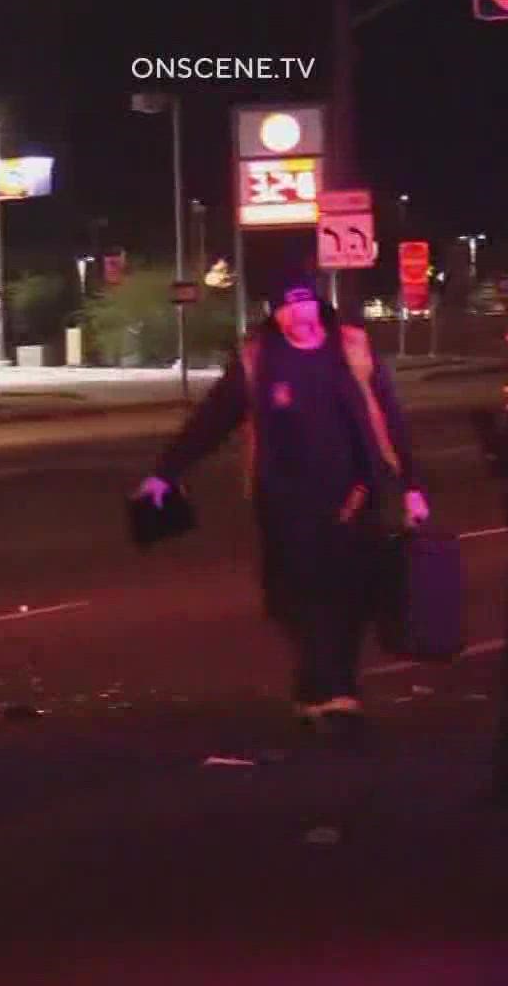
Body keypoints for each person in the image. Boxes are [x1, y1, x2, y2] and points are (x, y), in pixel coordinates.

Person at [134, 271, 429, 730]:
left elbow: (390, 420)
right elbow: (212, 420)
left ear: (319, 306)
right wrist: (165, 472)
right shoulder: (258, 360)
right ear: (275, 313)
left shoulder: (352, 350)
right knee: (297, 600)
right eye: (288, 307)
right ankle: (323, 690)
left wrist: (411, 486)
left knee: (350, 598)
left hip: (356, 497)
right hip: (286, 504)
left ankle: (334, 691)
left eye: (305, 303)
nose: (299, 315)